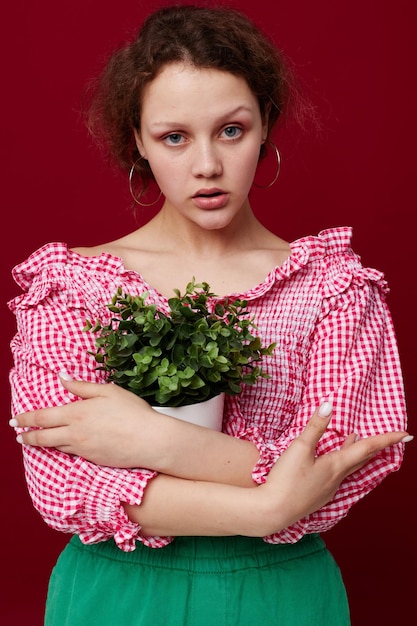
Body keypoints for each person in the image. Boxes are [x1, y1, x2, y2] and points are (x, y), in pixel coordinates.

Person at [8, 4, 410, 625]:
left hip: (282, 595)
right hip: (119, 592)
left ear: (266, 124)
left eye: (231, 130)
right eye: (175, 136)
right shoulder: (72, 287)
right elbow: (62, 487)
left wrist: (154, 440)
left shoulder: (334, 288)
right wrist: (266, 508)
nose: (207, 166)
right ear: (137, 140)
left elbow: (341, 471)